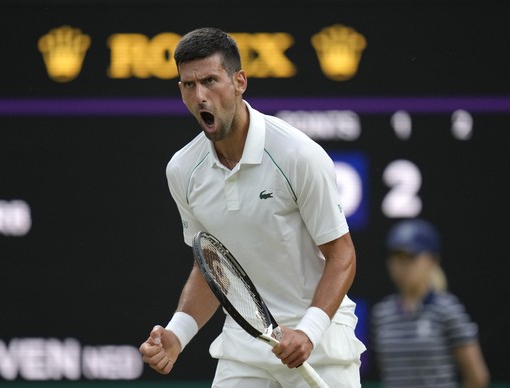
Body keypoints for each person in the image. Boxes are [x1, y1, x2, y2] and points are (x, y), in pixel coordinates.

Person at [138, 27, 365, 387]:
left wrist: (307, 332)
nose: (200, 96)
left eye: (211, 81)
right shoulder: (182, 170)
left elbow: (342, 255)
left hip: (321, 346)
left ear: (240, 81)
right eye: (188, 85)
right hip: (245, 351)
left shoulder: (298, 155)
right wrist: (177, 334)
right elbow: (212, 265)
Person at [370, 218, 490, 388]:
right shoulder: (382, 313)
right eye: (396, 258)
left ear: (433, 260)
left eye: (411, 257)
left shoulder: (448, 309)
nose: (402, 265)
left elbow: (477, 378)